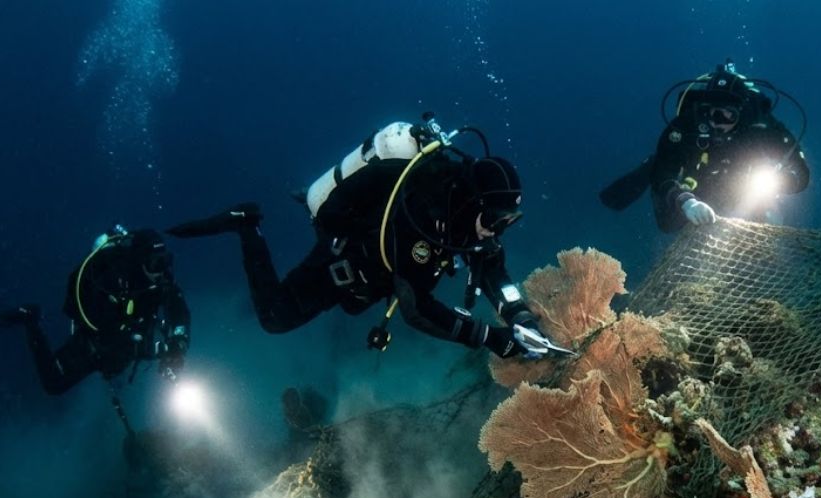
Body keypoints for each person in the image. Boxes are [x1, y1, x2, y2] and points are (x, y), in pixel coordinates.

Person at [167, 119, 560, 359]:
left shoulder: (471, 221)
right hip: (347, 262)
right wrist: (491, 338)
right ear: (473, 203)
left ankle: (288, 204)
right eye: (495, 219)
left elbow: (493, 271)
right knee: (274, 318)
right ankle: (246, 224)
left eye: (509, 221)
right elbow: (416, 309)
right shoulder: (424, 217)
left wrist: (519, 315)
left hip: (383, 268)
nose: (497, 231)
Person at [600, 60, 810, 232]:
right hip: (696, 181)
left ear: (742, 113)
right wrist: (684, 200)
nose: (717, 123)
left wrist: (779, 183)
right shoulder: (688, 125)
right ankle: (653, 170)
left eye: (727, 115)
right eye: (712, 113)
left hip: (744, 184)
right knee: (668, 223)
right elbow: (664, 171)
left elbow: (802, 173)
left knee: (762, 223)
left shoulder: (761, 128)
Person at [0, 226, 190, 395]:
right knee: (54, 383)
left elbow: (179, 310)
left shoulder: (162, 280)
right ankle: (30, 319)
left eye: (165, 261)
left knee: (119, 363)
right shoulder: (113, 281)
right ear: (140, 261)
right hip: (96, 342)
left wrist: (178, 343)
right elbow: (110, 336)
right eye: (156, 264)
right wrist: (156, 350)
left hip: (128, 345)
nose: (162, 270)